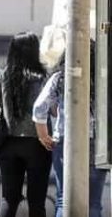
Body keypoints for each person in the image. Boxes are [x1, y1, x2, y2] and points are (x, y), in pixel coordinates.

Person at [33, 41, 106, 217]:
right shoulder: (104, 78)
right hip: (98, 144)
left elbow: (39, 108)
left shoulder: (60, 78)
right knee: (94, 202)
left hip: (66, 142)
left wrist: (43, 136)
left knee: (63, 199)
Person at [0, 32, 50, 217]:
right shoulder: (42, 78)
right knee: (37, 201)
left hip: (6, 143)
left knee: (8, 198)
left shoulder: (0, 77)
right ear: (35, 51)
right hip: (36, 143)